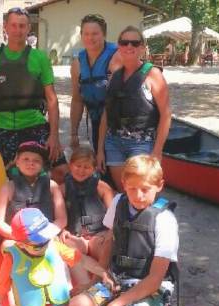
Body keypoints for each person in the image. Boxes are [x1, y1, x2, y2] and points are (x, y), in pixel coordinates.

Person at [69, 155, 179, 306]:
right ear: (123, 185)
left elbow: (155, 278)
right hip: (117, 277)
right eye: (132, 189)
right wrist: (100, 274)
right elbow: (110, 239)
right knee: (78, 305)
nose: (138, 196)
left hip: (150, 286)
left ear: (159, 186)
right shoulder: (119, 202)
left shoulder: (165, 220)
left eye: (145, 190)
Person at [0, 6, 67, 183]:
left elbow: (51, 99)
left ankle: (54, 209)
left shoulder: (39, 58)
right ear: (5, 27)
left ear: (28, 29)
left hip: (34, 125)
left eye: (22, 26)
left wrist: (54, 135)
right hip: (0, 127)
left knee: (62, 172)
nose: (18, 30)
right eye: (14, 25)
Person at [96, 26, 172, 192]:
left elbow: (166, 115)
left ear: (142, 48)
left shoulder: (152, 74)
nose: (129, 46)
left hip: (141, 143)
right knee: (125, 191)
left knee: (140, 192)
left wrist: (157, 151)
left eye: (134, 43)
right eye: (124, 42)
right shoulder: (114, 76)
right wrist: (100, 149)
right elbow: (106, 115)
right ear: (119, 46)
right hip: (114, 142)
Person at [70, 14, 122, 154]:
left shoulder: (117, 56)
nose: (90, 38)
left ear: (103, 34)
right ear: (81, 36)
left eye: (95, 33)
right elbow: (77, 100)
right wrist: (74, 133)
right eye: (86, 34)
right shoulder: (77, 63)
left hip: (118, 124)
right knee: (101, 168)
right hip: (95, 121)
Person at [0, 141, 67, 240]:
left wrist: (44, 235)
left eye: (36, 160)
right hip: (16, 238)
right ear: (17, 162)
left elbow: (62, 219)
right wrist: (20, 237)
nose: (31, 163)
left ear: (42, 165)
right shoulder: (8, 188)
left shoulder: (52, 186)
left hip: (47, 237)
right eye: (26, 159)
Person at [60, 146, 114, 263]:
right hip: (75, 235)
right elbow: (57, 215)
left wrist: (108, 235)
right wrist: (63, 230)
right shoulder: (62, 189)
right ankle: (87, 277)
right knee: (70, 252)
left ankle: (103, 277)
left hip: (99, 234)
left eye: (86, 167)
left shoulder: (103, 187)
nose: (81, 170)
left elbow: (114, 216)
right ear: (70, 165)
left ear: (94, 169)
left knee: (105, 250)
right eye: (78, 166)